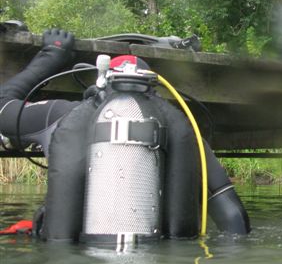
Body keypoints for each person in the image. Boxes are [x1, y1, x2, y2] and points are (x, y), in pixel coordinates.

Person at [0, 29, 251, 241]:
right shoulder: (187, 136)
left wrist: (53, 53)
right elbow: (234, 219)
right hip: (158, 259)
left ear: (102, 83)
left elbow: (3, 107)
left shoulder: (63, 115)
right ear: (153, 88)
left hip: (76, 254)